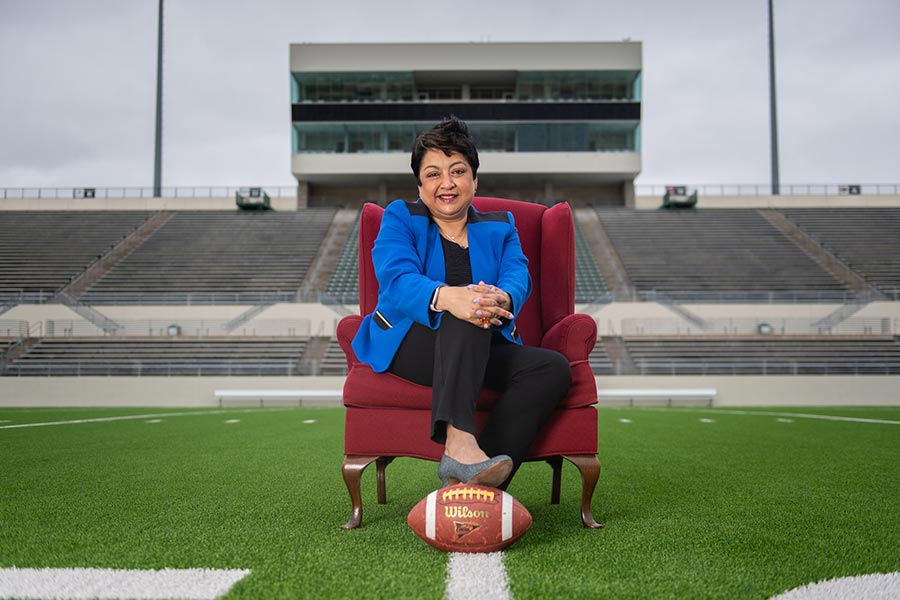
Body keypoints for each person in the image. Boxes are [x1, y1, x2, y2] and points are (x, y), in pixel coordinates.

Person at [351, 116, 571, 490]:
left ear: (474, 180)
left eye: (457, 171)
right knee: (464, 311)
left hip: (482, 343)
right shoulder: (400, 218)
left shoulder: (502, 226)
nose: (447, 183)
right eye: (433, 174)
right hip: (407, 341)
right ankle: (458, 443)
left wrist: (502, 296)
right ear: (419, 185)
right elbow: (396, 278)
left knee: (551, 368)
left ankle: (476, 485)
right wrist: (449, 297)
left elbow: (518, 274)